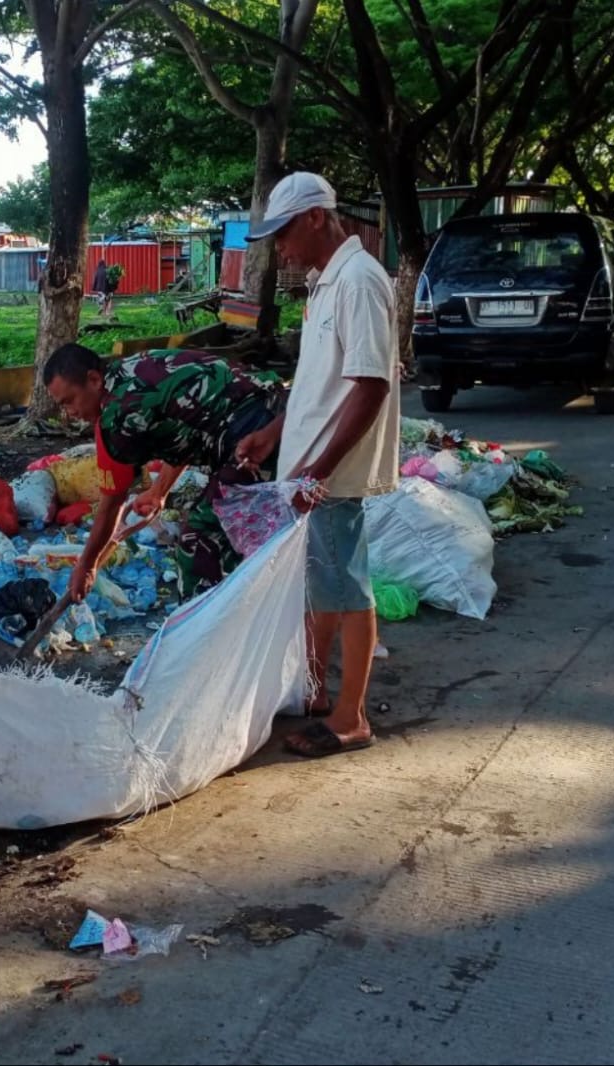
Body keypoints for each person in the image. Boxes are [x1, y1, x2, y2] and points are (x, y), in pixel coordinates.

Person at [244, 171, 398, 759]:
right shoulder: (324, 284)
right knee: (324, 584)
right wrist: (273, 434)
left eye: (284, 233)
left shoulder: (358, 280)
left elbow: (370, 385)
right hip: (312, 467)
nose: (280, 249)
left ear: (315, 218)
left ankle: (350, 717)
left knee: (348, 588)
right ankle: (315, 691)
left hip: (329, 473)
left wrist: (320, 469)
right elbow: (320, 382)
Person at [41, 344, 286, 600]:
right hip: (276, 409)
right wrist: (159, 491)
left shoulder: (119, 417)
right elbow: (189, 431)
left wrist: (87, 565)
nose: (70, 413)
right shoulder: (132, 370)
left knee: (198, 545)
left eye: (69, 401)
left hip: (257, 439)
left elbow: (111, 503)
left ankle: (207, 623)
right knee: (238, 543)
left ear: (93, 380)